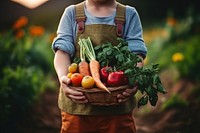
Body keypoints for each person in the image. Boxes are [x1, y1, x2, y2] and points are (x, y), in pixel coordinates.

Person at [52, 0, 147, 132]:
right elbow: (62, 51)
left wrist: (133, 78)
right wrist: (63, 78)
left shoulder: (128, 14)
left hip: (117, 104)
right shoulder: (72, 13)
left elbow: (136, 53)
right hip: (78, 105)